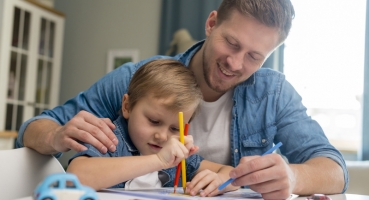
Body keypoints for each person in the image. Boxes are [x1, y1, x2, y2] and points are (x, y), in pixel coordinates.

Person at [17, 0, 348, 199]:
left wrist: (290, 177)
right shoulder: (140, 79)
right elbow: (33, 129)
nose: (235, 64)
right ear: (211, 23)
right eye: (231, 43)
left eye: (254, 56)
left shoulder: (273, 93)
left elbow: (333, 169)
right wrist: (54, 135)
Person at [66, 59, 239, 196]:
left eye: (175, 129)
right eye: (154, 121)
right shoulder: (109, 139)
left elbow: (231, 173)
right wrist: (159, 161)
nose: (163, 137)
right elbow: (75, 176)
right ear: (127, 106)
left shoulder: (178, 156)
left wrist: (220, 179)